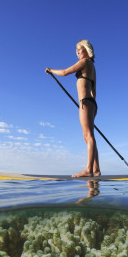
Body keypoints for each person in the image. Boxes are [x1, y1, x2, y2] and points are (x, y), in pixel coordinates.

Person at [46, 40, 100, 177]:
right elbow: (94, 91)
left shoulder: (85, 62)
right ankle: (96, 169)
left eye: (80, 49)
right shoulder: (92, 67)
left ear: (87, 50)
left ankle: (89, 169)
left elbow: (64, 72)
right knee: (89, 137)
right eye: (76, 50)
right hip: (91, 103)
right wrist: (90, 104)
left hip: (86, 103)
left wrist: (51, 70)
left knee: (88, 136)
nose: (77, 52)